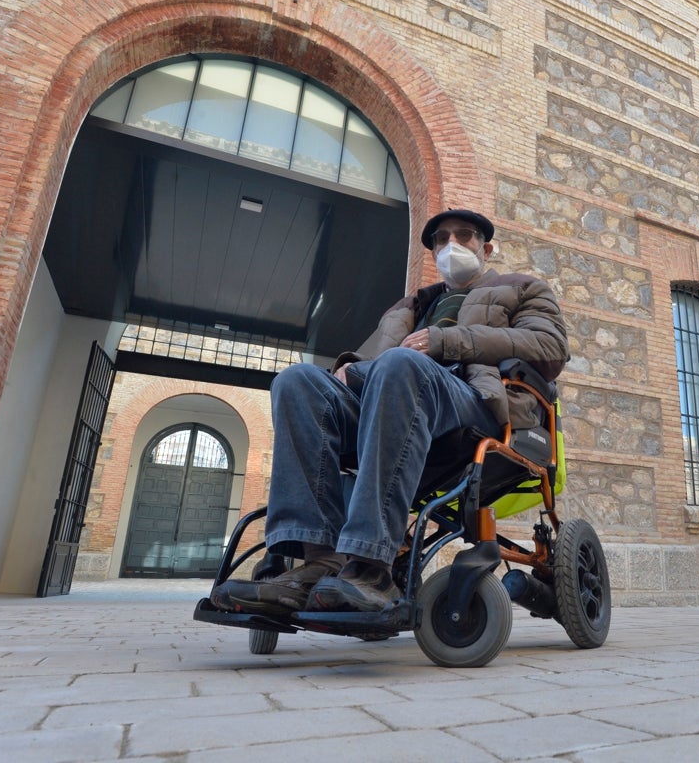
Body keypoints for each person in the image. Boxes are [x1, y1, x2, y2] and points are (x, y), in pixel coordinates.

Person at [211, 208, 569, 616]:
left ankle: (370, 566)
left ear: (486, 248)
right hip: (392, 403)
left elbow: (551, 348)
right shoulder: (408, 308)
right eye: (441, 239)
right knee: (298, 382)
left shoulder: (522, 287)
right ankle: (316, 561)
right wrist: (346, 369)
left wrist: (446, 341)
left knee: (401, 365)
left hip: (474, 403)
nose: (452, 244)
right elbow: (368, 361)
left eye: (464, 235)